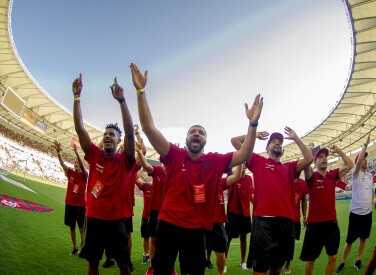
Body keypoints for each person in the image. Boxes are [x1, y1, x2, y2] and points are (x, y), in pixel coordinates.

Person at [131, 62, 263, 275]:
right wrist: (140, 91)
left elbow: (245, 155)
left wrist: (252, 125)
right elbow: (148, 127)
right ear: (186, 139)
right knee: (161, 271)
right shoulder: (174, 154)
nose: (196, 134)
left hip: (196, 232)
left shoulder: (215, 161)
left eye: (201, 132)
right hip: (168, 226)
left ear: (205, 140)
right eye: (192, 131)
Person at [72, 74, 135, 275]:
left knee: (123, 265)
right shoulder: (94, 155)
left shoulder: (125, 160)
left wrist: (122, 101)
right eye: (105, 134)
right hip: (94, 219)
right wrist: (77, 97)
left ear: (118, 142)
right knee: (93, 264)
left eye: (112, 135)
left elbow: (130, 133)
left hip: (117, 221)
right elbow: (80, 127)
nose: (107, 136)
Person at [231, 128, 313, 275]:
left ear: (282, 149)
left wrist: (295, 138)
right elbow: (235, 141)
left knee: (277, 268)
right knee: (260, 269)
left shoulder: (289, 167)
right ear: (267, 147)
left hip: (285, 224)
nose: (277, 143)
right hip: (263, 223)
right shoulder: (258, 161)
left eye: (280, 142)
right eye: (273, 141)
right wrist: (254, 134)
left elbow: (309, 159)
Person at [300, 144, 353, 275]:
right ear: (315, 161)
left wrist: (338, 151)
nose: (324, 159)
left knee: (333, 257)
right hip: (315, 226)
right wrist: (308, 152)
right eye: (321, 157)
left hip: (331, 224)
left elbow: (350, 164)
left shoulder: (332, 175)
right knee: (311, 260)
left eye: (325, 157)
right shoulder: (312, 177)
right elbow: (306, 165)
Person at [336, 132, 375, 273]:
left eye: (366, 159)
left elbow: (371, 190)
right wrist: (365, 144)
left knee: (363, 239)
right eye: (363, 159)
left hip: (367, 213)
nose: (366, 160)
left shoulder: (370, 175)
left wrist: (373, 200)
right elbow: (357, 162)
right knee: (349, 241)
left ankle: (358, 260)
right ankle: (342, 262)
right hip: (355, 214)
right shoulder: (356, 174)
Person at [135, 138, 169, 275]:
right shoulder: (157, 171)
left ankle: (169, 267)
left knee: (167, 243)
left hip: (168, 213)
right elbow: (146, 165)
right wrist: (139, 153)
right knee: (153, 240)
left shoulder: (175, 174)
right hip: (155, 212)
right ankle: (152, 266)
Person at [206, 165, 242, 275]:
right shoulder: (199, 181)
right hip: (202, 222)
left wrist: (240, 161)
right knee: (197, 253)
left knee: (220, 253)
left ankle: (220, 273)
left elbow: (236, 176)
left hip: (217, 222)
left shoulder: (220, 182)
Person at [53, 141, 88, 256]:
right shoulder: (71, 173)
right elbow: (63, 164)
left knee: (82, 229)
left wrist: (77, 153)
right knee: (72, 228)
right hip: (70, 205)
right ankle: (75, 248)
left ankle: (83, 248)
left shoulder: (84, 175)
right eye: (75, 162)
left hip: (81, 206)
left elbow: (83, 167)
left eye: (78, 162)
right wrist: (58, 153)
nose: (76, 164)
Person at [225, 163, 253, 271]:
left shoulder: (249, 179)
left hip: (244, 214)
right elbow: (228, 169)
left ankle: (243, 262)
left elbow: (251, 195)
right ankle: (224, 263)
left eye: (245, 164)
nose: (244, 166)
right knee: (228, 239)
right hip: (232, 213)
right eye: (241, 163)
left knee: (244, 238)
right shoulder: (232, 176)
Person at [283, 172, 308, 274]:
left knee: (291, 242)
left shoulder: (303, 183)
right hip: (283, 216)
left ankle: (288, 263)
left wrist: (305, 216)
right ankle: (277, 261)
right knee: (280, 240)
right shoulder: (285, 181)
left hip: (295, 218)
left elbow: (304, 200)